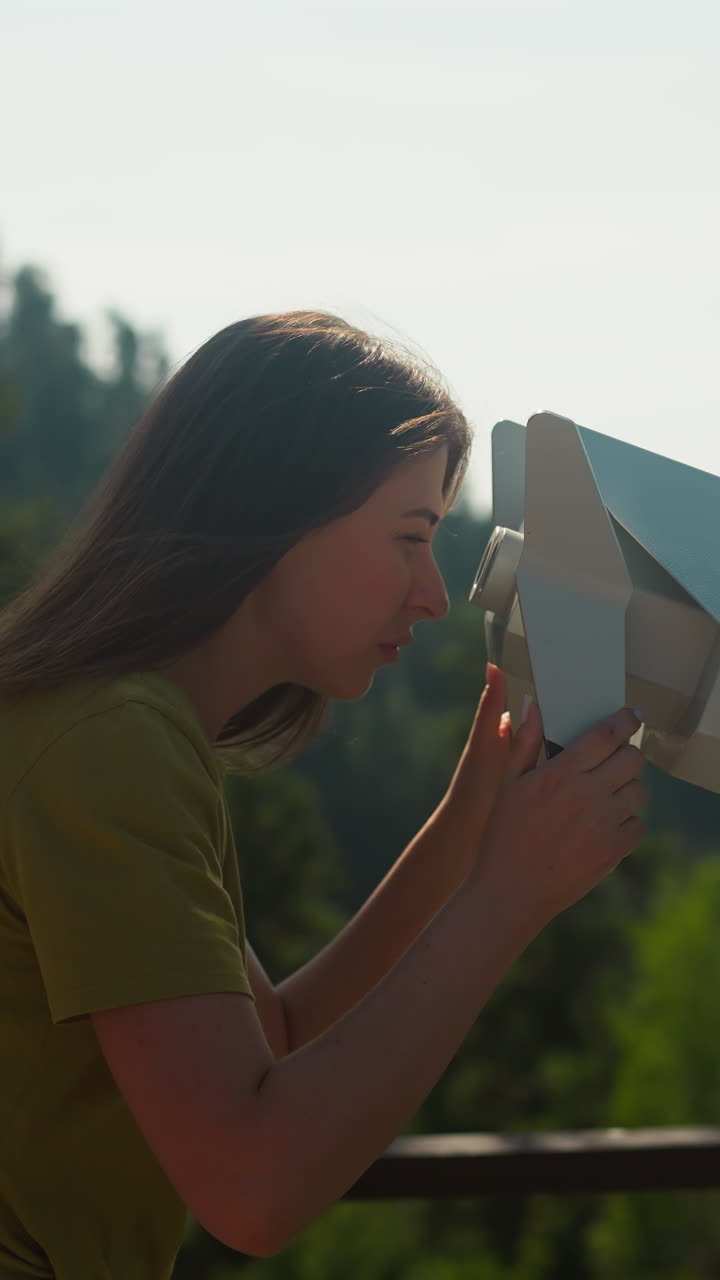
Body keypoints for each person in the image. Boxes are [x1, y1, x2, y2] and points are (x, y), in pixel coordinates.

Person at [0, 311, 646, 1278]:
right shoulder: (109, 745)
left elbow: (278, 1040)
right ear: (275, 513)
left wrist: (470, 822)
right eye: (409, 537)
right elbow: (251, 1188)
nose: (434, 592)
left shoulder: (112, 728)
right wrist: (505, 901)